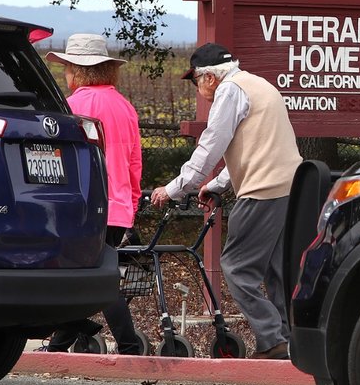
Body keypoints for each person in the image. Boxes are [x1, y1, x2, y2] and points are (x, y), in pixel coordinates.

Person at [151, 43, 302, 360]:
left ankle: (273, 340)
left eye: (195, 82)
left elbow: (210, 148)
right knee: (276, 270)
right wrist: (217, 184)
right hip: (289, 187)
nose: (198, 90)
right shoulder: (258, 85)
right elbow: (257, 148)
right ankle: (290, 339)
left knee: (236, 267)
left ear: (208, 78)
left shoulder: (229, 92)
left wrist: (174, 188)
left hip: (263, 189)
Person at [44, 33, 143, 355]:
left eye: (67, 69)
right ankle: (70, 338)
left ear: (77, 71)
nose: (65, 76)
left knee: (76, 273)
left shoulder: (72, 106)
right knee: (96, 272)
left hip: (82, 205)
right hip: (117, 206)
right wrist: (131, 201)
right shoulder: (125, 107)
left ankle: (119, 342)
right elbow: (133, 162)